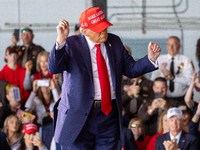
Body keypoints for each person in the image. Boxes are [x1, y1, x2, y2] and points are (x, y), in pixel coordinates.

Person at [48, 7, 161, 149]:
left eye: (105, 28)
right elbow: (54, 68)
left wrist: (149, 59)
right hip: (78, 116)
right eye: (98, 30)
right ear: (85, 31)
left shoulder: (114, 42)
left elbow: (131, 69)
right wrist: (60, 40)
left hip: (108, 115)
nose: (103, 33)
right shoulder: (71, 44)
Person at [151, 36, 195, 104]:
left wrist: (173, 77)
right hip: (162, 97)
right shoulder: (160, 59)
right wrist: (164, 75)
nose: (171, 47)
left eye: (174, 44)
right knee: (158, 114)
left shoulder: (186, 60)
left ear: (179, 46)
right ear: (166, 46)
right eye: (169, 44)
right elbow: (153, 79)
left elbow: (191, 82)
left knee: (185, 114)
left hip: (182, 97)